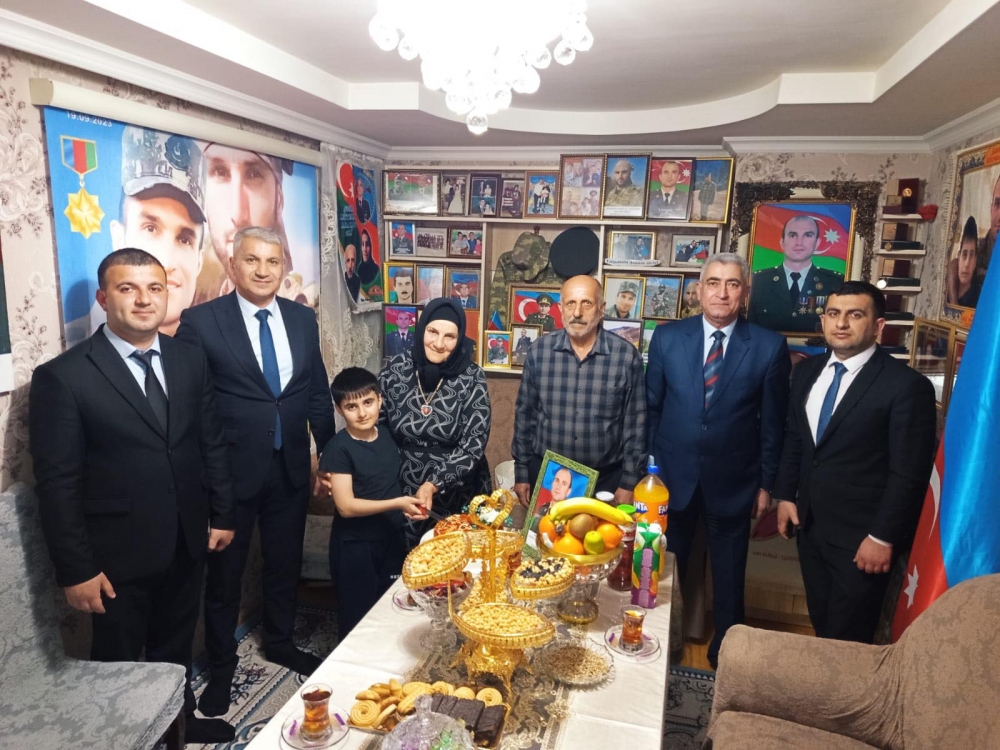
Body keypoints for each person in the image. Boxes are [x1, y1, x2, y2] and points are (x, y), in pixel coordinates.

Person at [30, 249, 237, 744]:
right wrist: (76, 569)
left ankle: (178, 725)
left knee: (176, 644)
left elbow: (210, 440)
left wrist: (222, 512)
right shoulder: (64, 376)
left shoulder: (187, 358)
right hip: (115, 556)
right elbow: (57, 483)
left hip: (186, 535)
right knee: (117, 662)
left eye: (154, 288)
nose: (144, 299)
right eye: (128, 289)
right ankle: (123, 737)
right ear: (104, 299)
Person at [176, 226, 336, 717]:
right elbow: (190, 407)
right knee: (224, 578)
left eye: (272, 261)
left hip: (290, 467)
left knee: (284, 563)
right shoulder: (201, 322)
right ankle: (222, 668)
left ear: (283, 266)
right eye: (252, 260)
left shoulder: (302, 318)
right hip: (228, 477)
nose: (263, 270)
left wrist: (329, 458)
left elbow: (315, 391)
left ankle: (281, 642)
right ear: (233, 264)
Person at [646, 253, 789, 668]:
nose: (721, 293)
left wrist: (766, 484)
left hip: (734, 481)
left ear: (744, 293)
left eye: (732, 284)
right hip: (672, 479)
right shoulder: (667, 338)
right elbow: (651, 408)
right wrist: (648, 471)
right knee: (663, 569)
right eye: (713, 283)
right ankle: (662, 644)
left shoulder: (768, 346)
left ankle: (728, 655)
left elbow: (773, 424)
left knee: (729, 574)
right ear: (698, 290)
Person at [775, 281, 936, 644]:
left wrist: (882, 537)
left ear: (878, 326)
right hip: (811, 529)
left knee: (848, 639)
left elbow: (908, 474)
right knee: (822, 623)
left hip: (863, 540)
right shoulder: (807, 372)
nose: (842, 323)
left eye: (855, 314)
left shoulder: (906, 387)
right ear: (823, 320)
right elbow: (797, 439)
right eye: (834, 313)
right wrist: (785, 496)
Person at [513, 276, 646, 507]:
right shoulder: (539, 352)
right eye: (570, 303)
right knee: (546, 532)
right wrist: (522, 471)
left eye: (587, 303)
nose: (577, 312)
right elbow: (525, 415)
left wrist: (629, 482)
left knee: (600, 533)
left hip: (605, 480)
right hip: (548, 477)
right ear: (560, 308)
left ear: (601, 309)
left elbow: (636, 424)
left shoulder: (625, 357)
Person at [72, 128, 207, 345]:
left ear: (199, 260)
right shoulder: (74, 346)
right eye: (150, 229)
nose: (167, 262)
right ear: (119, 238)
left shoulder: (197, 353)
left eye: (184, 239)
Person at [323, 367, 428, 637]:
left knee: (391, 612)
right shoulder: (338, 448)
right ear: (339, 409)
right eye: (351, 406)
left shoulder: (388, 436)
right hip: (355, 547)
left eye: (368, 402)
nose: (362, 413)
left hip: (392, 538)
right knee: (357, 622)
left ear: (380, 400)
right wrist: (398, 503)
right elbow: (346, 507)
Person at [379, 299, 492, 522]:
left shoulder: (472, 377)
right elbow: (377, 426)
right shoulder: (395, 369)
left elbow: (474, 442)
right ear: (422, 329)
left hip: (458, 488)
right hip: (401, 486)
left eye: (449, 336)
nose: (439, 344)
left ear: (459, 338)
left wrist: (434, 483)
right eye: (432, 332)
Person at [197, 144, 296, 303]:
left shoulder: (302, 308)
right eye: (220, 172)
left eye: (253, 175)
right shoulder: (197, 311)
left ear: (278, 199)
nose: (237, 215)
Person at [747, 215, 844, 333]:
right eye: (792, 235)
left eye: (808, 235)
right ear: (782, 243)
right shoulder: (758, 281)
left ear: (817, 243)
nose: (799, 243)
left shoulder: (835, 282)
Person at [946, 172, 999, 304]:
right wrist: (954, 304)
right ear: (991, 208)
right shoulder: (979, 247)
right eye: (998, 204)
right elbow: (954, 264)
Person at [948, 216, 982, 307]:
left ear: (975, 262)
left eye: (971, 255)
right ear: (958, 258)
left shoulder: (979, 298)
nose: (967, 264)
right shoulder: (946, 293)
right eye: (964, 254)